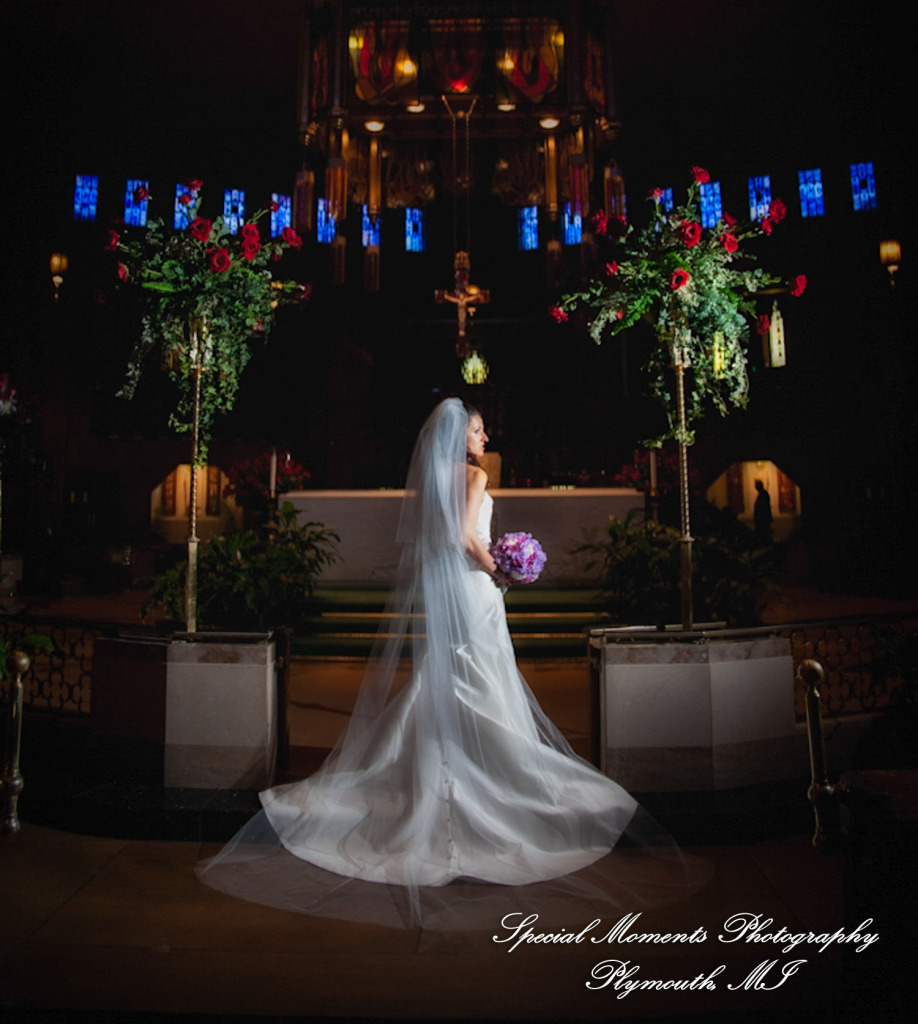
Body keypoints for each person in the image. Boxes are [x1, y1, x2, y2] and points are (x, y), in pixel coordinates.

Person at [198, 398, 698, 928]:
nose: (485, 438)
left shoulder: (438, 475)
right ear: (459, 435)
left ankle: (441, 764)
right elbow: (463, 537)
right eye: (478, 430)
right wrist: (502, 570)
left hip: (456, 588)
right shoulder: (474, 477)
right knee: (477, 671)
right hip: (474, 586)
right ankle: (487, 772)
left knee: (456, 671)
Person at [753, 479, 773, 546]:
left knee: (764, 535)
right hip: (761, 520)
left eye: (756, 485)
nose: (754, 486)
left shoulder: (763, 494)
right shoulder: (762, 494)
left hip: (762, 520)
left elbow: (763, 508)